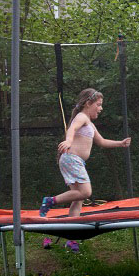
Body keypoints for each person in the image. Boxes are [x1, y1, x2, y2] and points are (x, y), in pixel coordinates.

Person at [38, 88, 131, 251]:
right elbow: (72, 129)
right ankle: (50, 201)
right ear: (88, 103)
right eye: (98, 104)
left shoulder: (90, 124)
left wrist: (120, 143)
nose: (101, 108)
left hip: (74, 160)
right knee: (86, 192)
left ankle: (71, 238)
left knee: (78, 198)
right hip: (72, 159)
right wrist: (68, 141)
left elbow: (102, 142)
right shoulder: (81, 117)